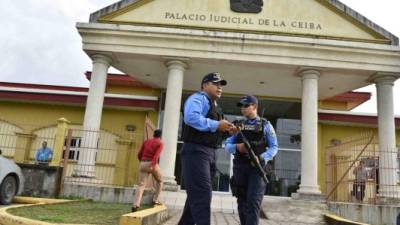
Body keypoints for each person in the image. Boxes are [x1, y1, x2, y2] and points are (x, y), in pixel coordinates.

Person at [177, 72, 234, 225]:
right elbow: (191, 118)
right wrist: (217, 125)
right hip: (196, 151)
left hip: (210, 153)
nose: (219, 87)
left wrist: (227, 130)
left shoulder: (216, 107)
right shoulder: (198, 98)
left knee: (196, 196)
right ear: (204, 85)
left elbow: (215, 131)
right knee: (202, 195)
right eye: (216, 84)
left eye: (221, 85)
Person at [225, 95, 279, 225]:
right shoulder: (238, 125)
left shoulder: (265, 125)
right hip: (240, 168)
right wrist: (237, 147)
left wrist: (261, 157)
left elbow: (274, 147)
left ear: (254, 107)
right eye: (241, 106)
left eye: (246, 106)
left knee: (253, 203)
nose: (242, 109)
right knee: (242, 203)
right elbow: (227, 145)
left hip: (257, 169)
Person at [132, 129, 164, 212]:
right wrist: (152, 166)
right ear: (160, 136)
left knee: (141, 185)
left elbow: (139, 154)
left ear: (153, 135)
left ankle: (136, 205)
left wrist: (142, 162)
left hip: (143, 163)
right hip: (152, 164)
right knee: (160, 181)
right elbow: (156, 156)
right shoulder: (160, 143)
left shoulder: (146, 142)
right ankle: (155, 200)